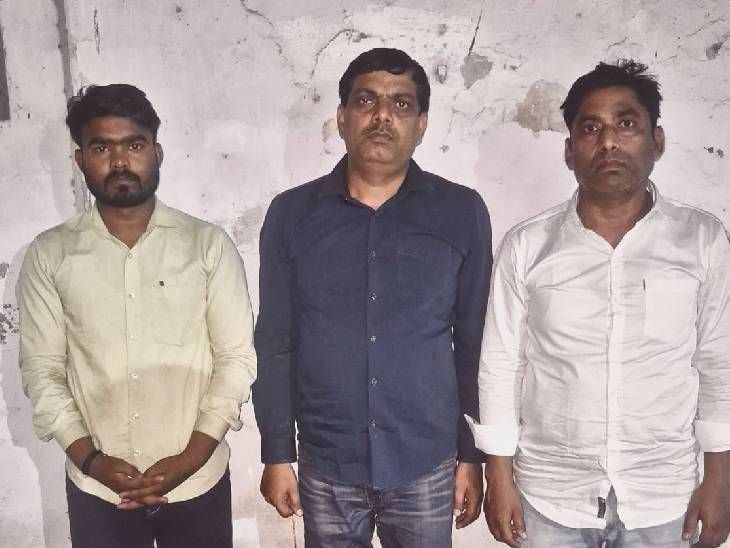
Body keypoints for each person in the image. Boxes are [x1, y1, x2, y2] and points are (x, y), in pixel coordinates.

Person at [470, 60, 730, 548]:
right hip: (549, 495)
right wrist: (498, 473)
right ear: (570, 151)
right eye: (590, 128)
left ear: (656, 141)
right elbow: (502, 364)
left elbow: (719, 361)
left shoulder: (702, 240)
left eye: (626, 124)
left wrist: (720, 476)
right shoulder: (527, 245)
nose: (608, 141)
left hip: (663, 495)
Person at [253, 48, 492, 547]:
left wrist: (472, 455)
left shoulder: (461, 212)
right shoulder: (292, 215)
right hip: (327, 462)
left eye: (401, 104)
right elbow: (275, 343)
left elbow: (474, 344)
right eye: (366, 101)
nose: (383, 116)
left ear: (421, 125)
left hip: (426, 460)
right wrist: (276, 453)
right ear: (342, 118)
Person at [17, 84, 256, 548]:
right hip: (97, 488)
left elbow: (236, 360)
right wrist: (92, 461)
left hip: (197, 482)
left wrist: (190, 459)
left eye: (134, 145)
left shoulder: (207, 246)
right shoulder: (50, 255)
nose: (120, 161)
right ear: (80, 160)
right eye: (101, 148)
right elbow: (42, 371)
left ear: (157, 153)